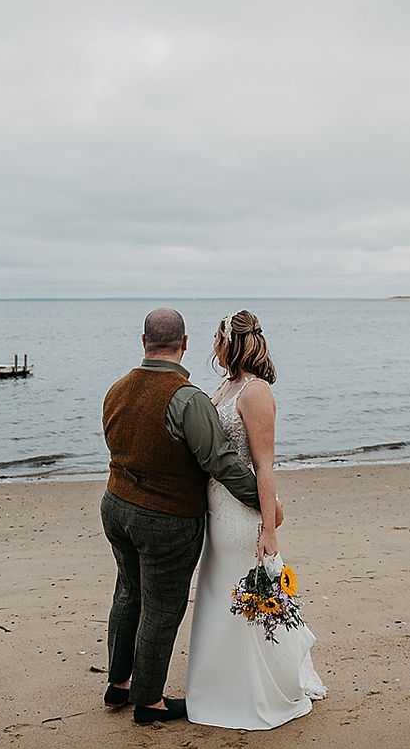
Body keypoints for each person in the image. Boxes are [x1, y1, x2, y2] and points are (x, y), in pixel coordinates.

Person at [100, 307, 283, 725]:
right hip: (163, 517)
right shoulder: (187, 398)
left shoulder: (116, 389)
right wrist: (265, 505)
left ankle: (119, 683)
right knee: (162, 608)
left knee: (128, 591)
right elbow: (220, 460)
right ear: (183, 344)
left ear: (142, 341)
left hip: (115, 506)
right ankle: (148, 701)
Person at [184, 310, 326, 729]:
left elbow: (264, 466)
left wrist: (268, 529)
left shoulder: (256, 392)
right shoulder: (225, 386)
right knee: (215, 595)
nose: (213, 343)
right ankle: (214, 689)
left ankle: (253, 694)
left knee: (244, 599)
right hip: (215, 507)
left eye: (216, 336)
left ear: (230, 341)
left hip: (242, 515)